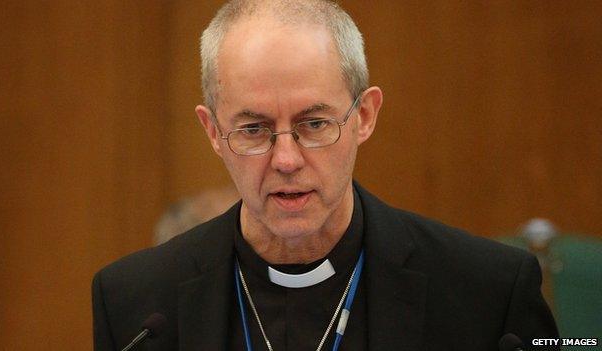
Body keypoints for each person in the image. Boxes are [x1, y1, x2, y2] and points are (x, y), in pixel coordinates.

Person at [92, 1, 559, 350]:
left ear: (365, 116)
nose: (287, 160)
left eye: (314, 124)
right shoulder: (135, 304)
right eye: (253, 129)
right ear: (213, 131)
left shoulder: (488, 293)